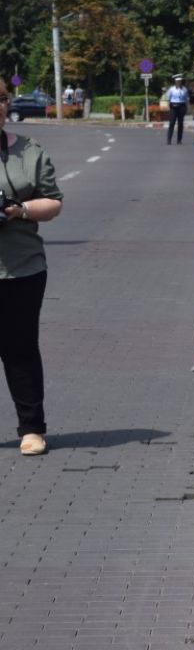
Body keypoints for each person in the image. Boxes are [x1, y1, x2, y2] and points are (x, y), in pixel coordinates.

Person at [0, 82, 63, 456]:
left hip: (21, 267)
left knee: (19, 348)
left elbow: (53, 204)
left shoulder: (29, 152)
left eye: (0, 99)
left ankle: (32, 429)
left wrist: (19, 210)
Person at [166, 75, 190, 145]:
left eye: (180, 81)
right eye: (177, 81)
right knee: (172, 123)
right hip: (173, 106)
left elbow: (186, 99)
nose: (179, 82)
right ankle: (169, 140)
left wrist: (187, 108)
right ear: (175, 82)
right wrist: (168, 107)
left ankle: (179, 140)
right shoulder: (171, 89)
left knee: (180, 124)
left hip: (181, 106)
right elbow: (168, 99)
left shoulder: (184, 89)